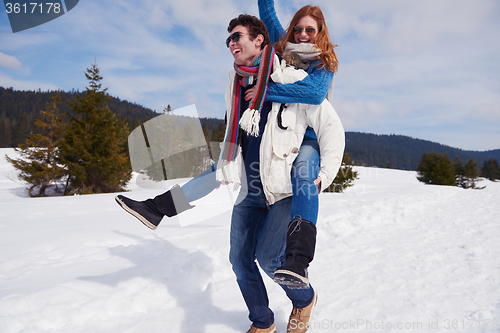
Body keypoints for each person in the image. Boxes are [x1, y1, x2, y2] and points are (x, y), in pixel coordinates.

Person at [216, 14, 343, 333]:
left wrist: (324, 173)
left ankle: (304, 300)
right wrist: (225, 164)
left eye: (237, 36)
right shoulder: (238, 83)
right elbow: (234, 130)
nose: (232, 43)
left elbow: (330, 127)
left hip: (284, 189)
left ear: (261, 41)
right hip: (250, 187)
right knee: (240, 261)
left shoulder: (290, 78)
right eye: (228, 39)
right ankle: (262, 321)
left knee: (271, 259)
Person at [255, 0, 340, 290]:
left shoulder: (324, 61)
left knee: (304, 173)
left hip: (309, 137)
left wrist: (265, 91)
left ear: (320, 32)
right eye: (299, 28)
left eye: (310, 30)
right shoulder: (284, 45)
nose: (303, 34)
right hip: (279, 135)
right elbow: (267, 14)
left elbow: (314, 93)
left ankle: (298, 259)